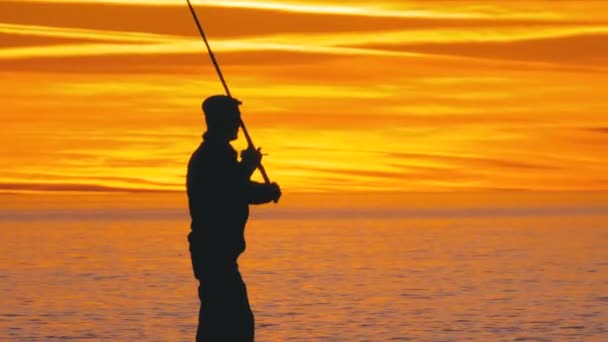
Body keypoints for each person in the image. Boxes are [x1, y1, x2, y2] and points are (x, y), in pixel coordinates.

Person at [186, 95, 281, 341]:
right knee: (231, 322)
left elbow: (240, 190)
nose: (239, 123)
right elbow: (228, 189)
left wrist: (266, 191)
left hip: (218, 254)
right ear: (219, 120)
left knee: (220, 321)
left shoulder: (221, 155)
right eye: (235, 117)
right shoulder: (211, 156)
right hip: (213, 253)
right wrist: (249, 166)